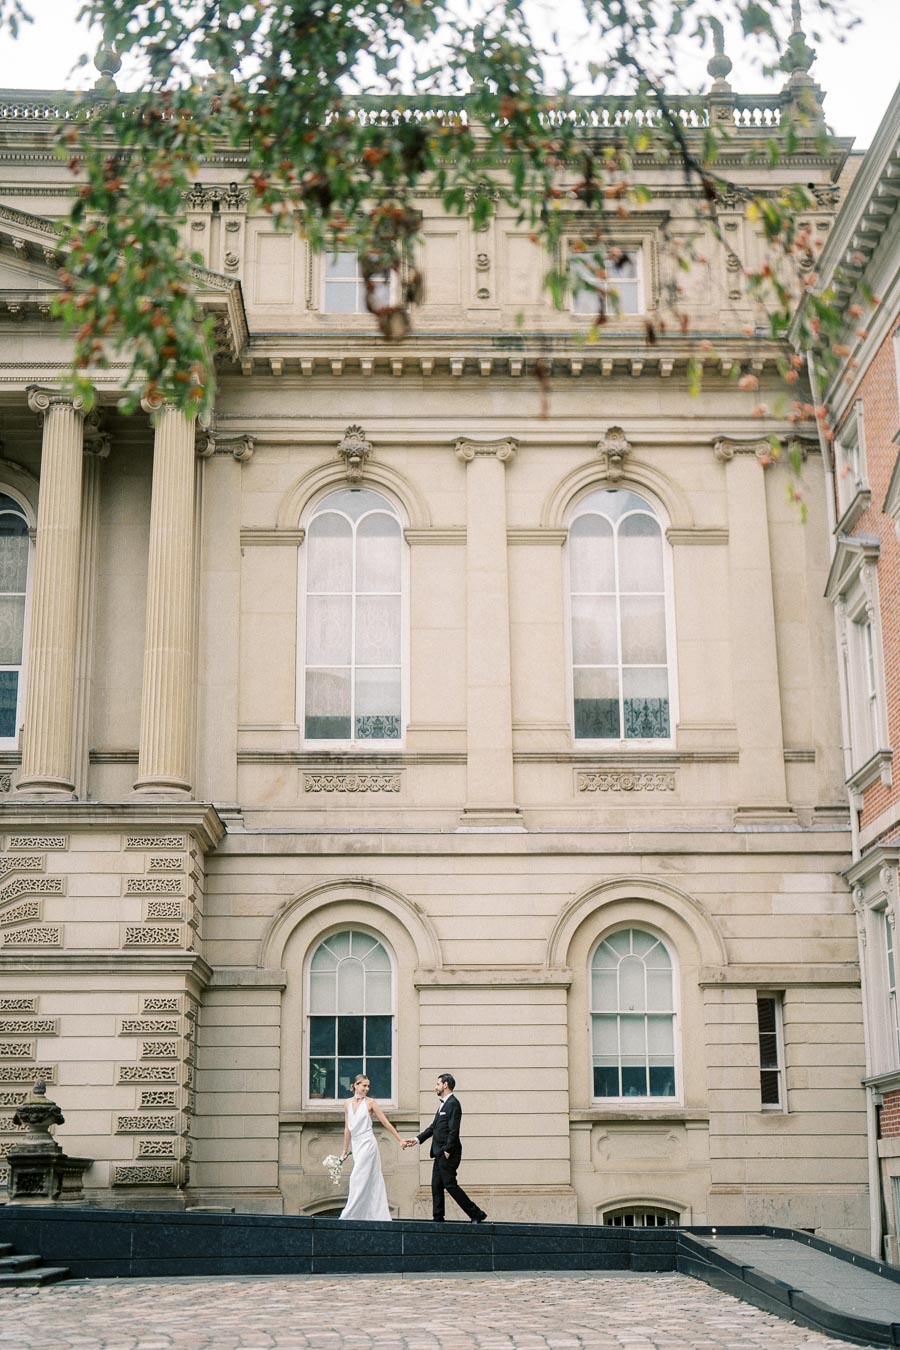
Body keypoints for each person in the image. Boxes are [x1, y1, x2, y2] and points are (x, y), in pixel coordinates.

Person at [402, 1073, 487, 1223]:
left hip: (448, 1153)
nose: (435, 1087)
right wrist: (416, 1140)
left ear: (445, 1085)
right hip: (439, 1152)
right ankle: (438, 1218)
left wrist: (447, 1150)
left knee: (450, 1185)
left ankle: (476, 1214)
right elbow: (433, 1128)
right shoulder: (444, 1104)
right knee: (436, 1185)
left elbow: (454, 1130)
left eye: (437, 1084)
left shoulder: (453, 1103)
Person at [339, 1074, 405, 1221]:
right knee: (366, 1179)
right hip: (356, 1145)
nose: (367, 1089)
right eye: (364, 1086)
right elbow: (347, 1129)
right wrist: (344, 1151)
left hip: (368, 1144)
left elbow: (385, 1122)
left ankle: (348, 1215)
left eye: (368, 1086)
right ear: (355, 1085)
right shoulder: (347, 1103)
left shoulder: (371, 1103)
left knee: (357, 1177)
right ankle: (365, 1215)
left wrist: (399, 1139)